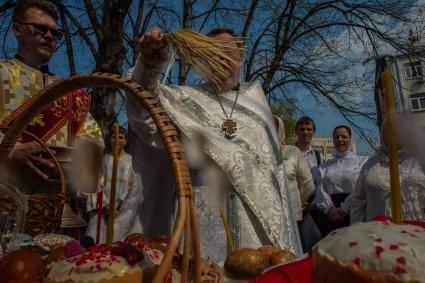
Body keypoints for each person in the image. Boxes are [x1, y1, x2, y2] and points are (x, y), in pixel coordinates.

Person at [126, 27, 301, 262]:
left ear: (240, 60)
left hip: (256, 228)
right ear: (202, 61)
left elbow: (275, 178)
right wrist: (149, 64)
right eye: (213, 53)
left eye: (229, 51)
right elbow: (144, 119)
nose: (221, 58)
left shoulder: (258, 108)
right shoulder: (183, 101)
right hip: (201, 216)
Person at [0, 0, 102, 186]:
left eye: (55, 33)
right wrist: (9, 151)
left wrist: (72, 166)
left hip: (56, 203)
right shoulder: (2, 73)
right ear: (17, 29)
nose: (49, 36)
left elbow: (92, 141)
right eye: (40, 28)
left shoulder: (71, 92)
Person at [350, 122, 425, 223]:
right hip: (380, 232)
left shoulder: (419, 162)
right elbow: (358, 201)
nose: (393, 135)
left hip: (417, 231)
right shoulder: (371, 164)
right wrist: (357, 230)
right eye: (388, 131)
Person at [86, 126, 142, 243]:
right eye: (114, 137)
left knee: (118, 240)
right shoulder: (104, 159)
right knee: (98, 236)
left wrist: (117, 204)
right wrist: (106, 204)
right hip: (104, 205)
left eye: (121, 137)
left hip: (123, 207)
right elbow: (99, 182)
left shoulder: (131, 160)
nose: (117, 140)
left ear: (125, 140)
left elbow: (132, 184)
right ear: (110, 140)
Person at [313, 125, 368, 235]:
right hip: (330, 215)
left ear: (351, 139)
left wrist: (345, 207)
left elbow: (362, 186)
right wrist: (329, 209)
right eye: (336, 137)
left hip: (355, 210)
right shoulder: (324, 166)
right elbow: (320, 190)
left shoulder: (362, 162)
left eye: (344, 136)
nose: (340, 140)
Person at [273, 115, 315, 252]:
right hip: (269, 214)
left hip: (292, 215)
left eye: (274, 126)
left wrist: (295, 201)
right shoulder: (260, 152)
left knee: (294, 253)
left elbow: (308, 184)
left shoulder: (293, 151)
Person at [294, 116, 322, 185]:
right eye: (302, 129)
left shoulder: (318, 156)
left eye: (309, 129)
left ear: (313, 132)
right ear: (296, 131)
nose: (305, 132)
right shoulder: (288, 154)